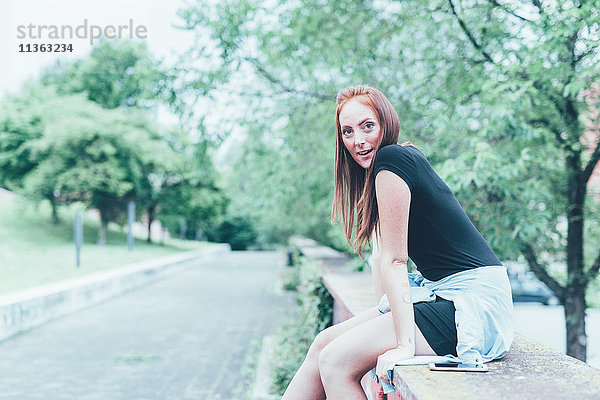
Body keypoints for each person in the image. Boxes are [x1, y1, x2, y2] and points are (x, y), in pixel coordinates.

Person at [281, 84, 514, 400]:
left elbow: (395, 260)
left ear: (385, 122)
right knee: (324, 344)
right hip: (447, 294)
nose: (358, 140)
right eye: (347, 132)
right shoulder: (386, 169)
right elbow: (380, 258)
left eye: (367, 126)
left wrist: (402, 345)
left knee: (336, 362)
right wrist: (379, 335)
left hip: (471, 303)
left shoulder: (393, 159)